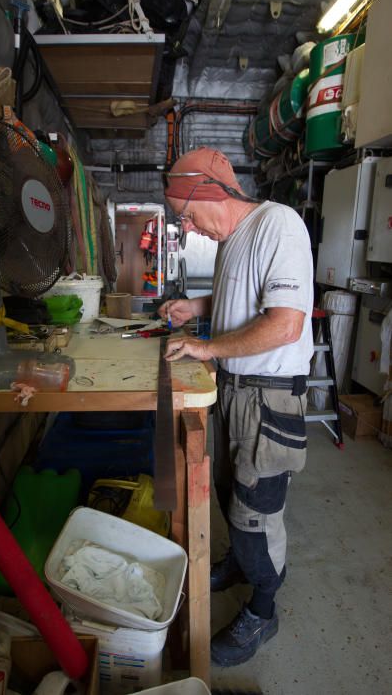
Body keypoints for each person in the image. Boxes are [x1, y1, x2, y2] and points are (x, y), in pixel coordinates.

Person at [158, 147, 314, 667]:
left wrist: (206, 347)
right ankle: (242, 566)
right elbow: (237, 299)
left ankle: (263, 609)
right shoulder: (231, 242)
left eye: (186, 215)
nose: (190, 227)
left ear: (208, 192)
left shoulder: (280, 225)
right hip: (234, 389)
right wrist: (196, 308)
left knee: (257, 513)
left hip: (268, 398)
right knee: (231, 492)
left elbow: (285, 323)